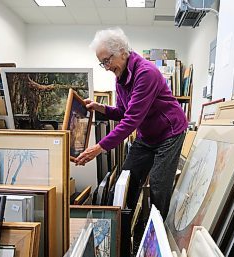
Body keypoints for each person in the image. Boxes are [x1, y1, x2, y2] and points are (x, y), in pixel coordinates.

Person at [75, 27, 188, 220]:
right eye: (102, 63)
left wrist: (99, 148)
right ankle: (123, 230)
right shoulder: (120, 78)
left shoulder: (146, 73)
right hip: (147, 135)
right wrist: (99, 107)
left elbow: (131, 120)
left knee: (159, 186)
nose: (107, 67)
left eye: (106, 60)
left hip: (169, 132)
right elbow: (122, 112)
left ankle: (155, 234)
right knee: (127, 178)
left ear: (121, 51)